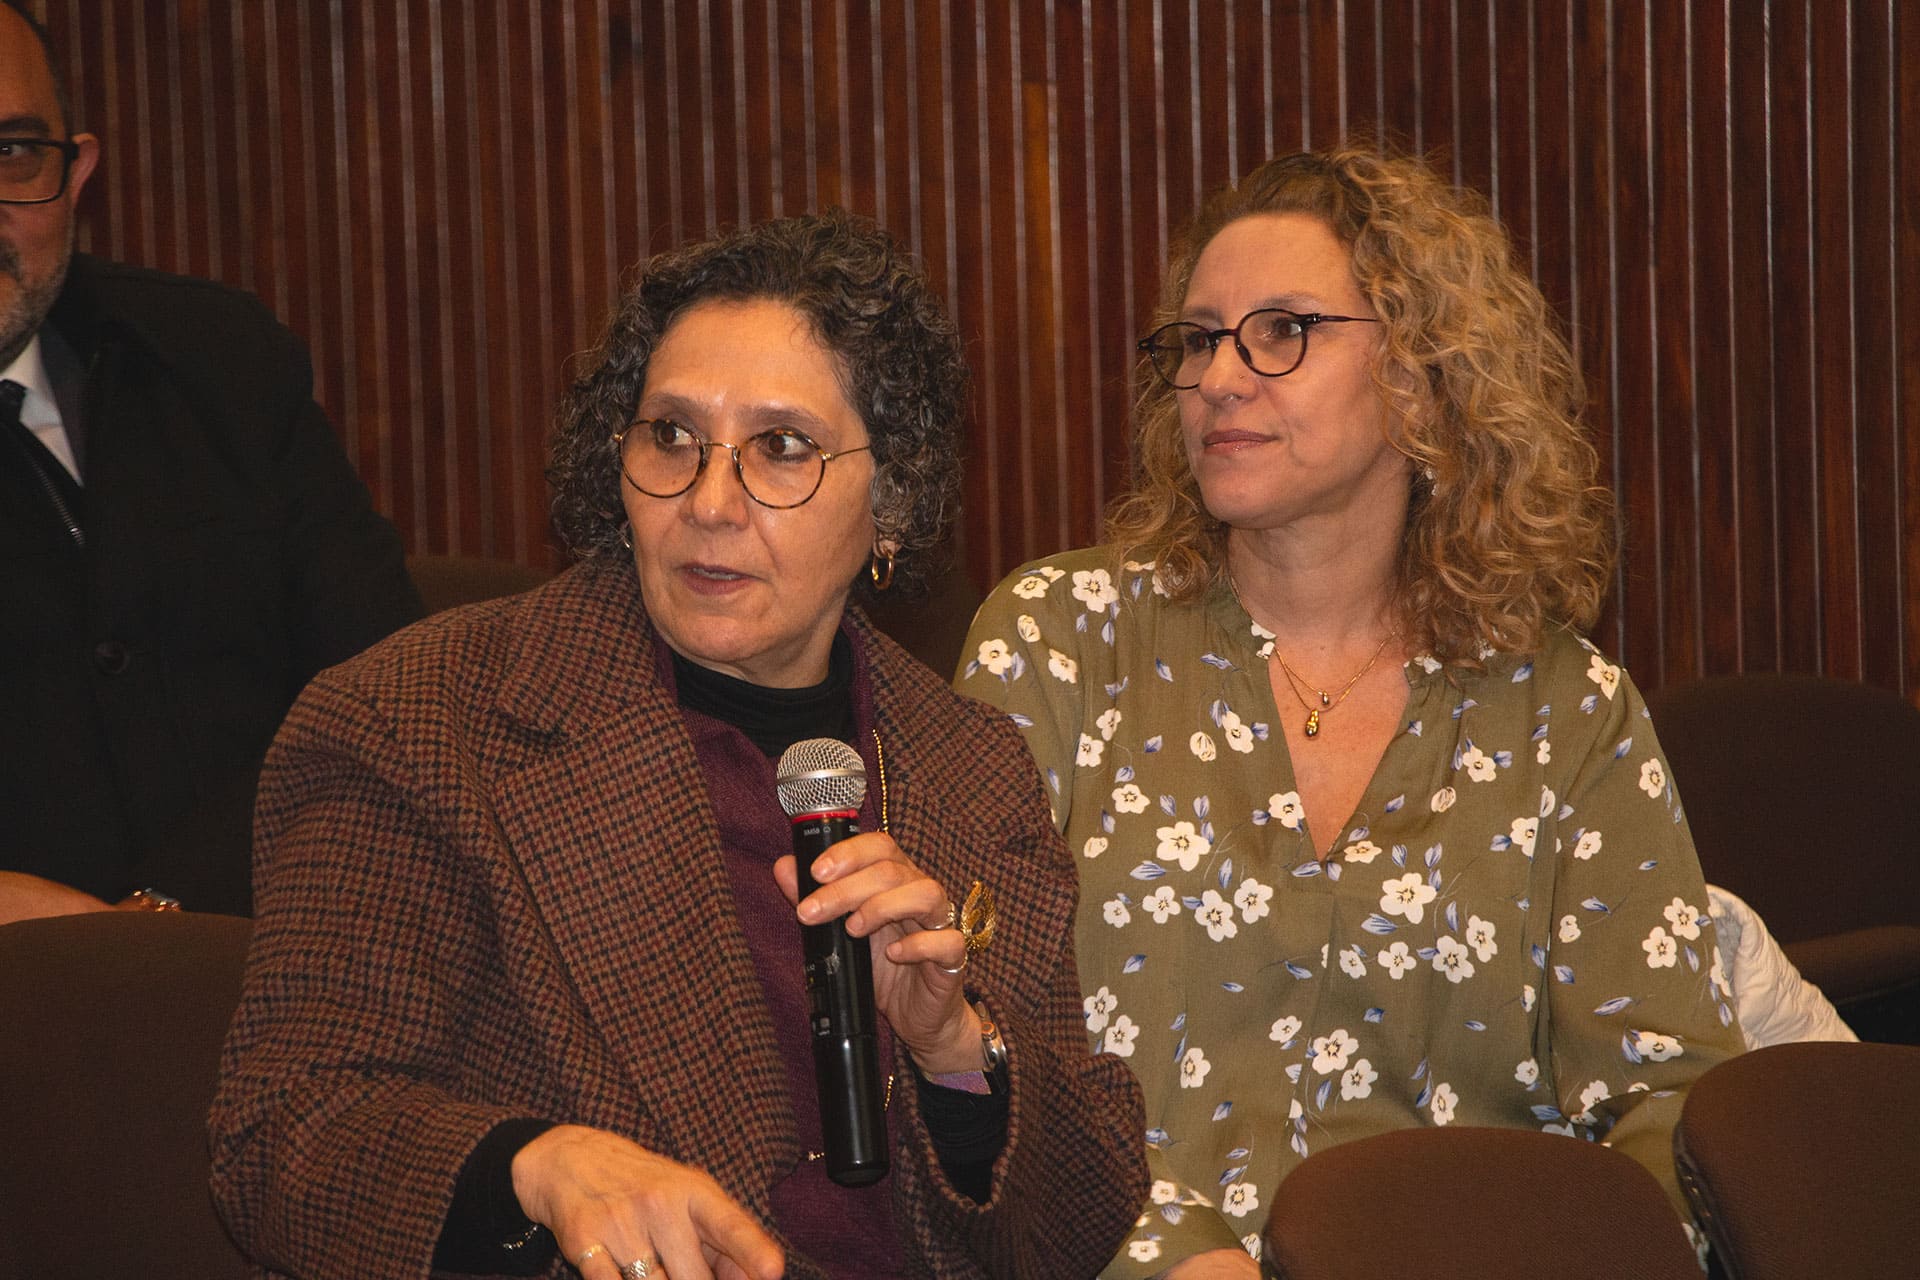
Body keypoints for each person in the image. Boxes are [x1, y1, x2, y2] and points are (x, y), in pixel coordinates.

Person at [209, 210, 1149, 1280]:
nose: (708, 502)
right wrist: (535, 1168)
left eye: (781, 449)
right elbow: (283, 1134)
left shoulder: (970, 764)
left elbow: (1075, 1230)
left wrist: (955, 1054)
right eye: (671, 437)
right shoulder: (417, 722)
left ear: (891, 495)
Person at [957, 145, 1747, 1277]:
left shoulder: (1567, 709)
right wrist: (1161, 1249)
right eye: (1198, 340)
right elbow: (969, 1030)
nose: (1220, 377)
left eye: (1282, 330)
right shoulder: (1061, 639)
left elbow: (1668, 1096)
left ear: (1421, 376)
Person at [0, 0, 421, 922]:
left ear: (76, 173)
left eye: (13, 153)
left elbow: (390, 686)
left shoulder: (219, 357)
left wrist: (161, 921)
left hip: (286, 943)